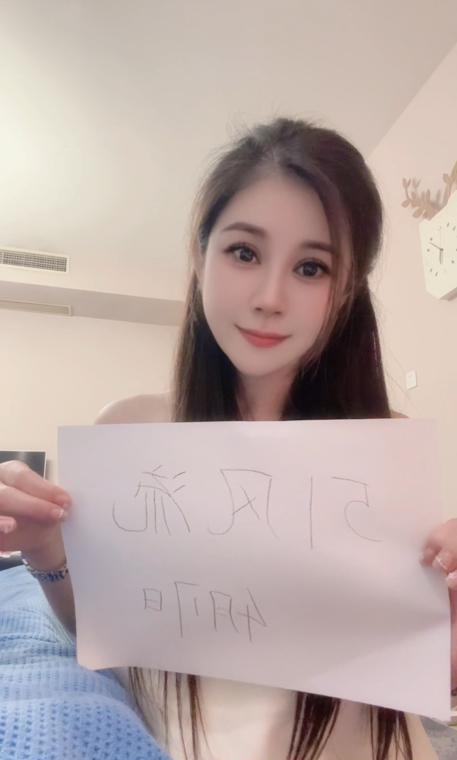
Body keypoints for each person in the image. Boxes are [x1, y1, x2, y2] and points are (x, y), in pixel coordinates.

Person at [0, 116, 456, 760]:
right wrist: (44, 548)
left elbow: (420, 674)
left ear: (346, 290)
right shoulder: (130, 432)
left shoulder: (387, 452)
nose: (270, 297)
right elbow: (108, 634)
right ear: (199, 255)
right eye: (244, 252)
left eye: (311, 267)